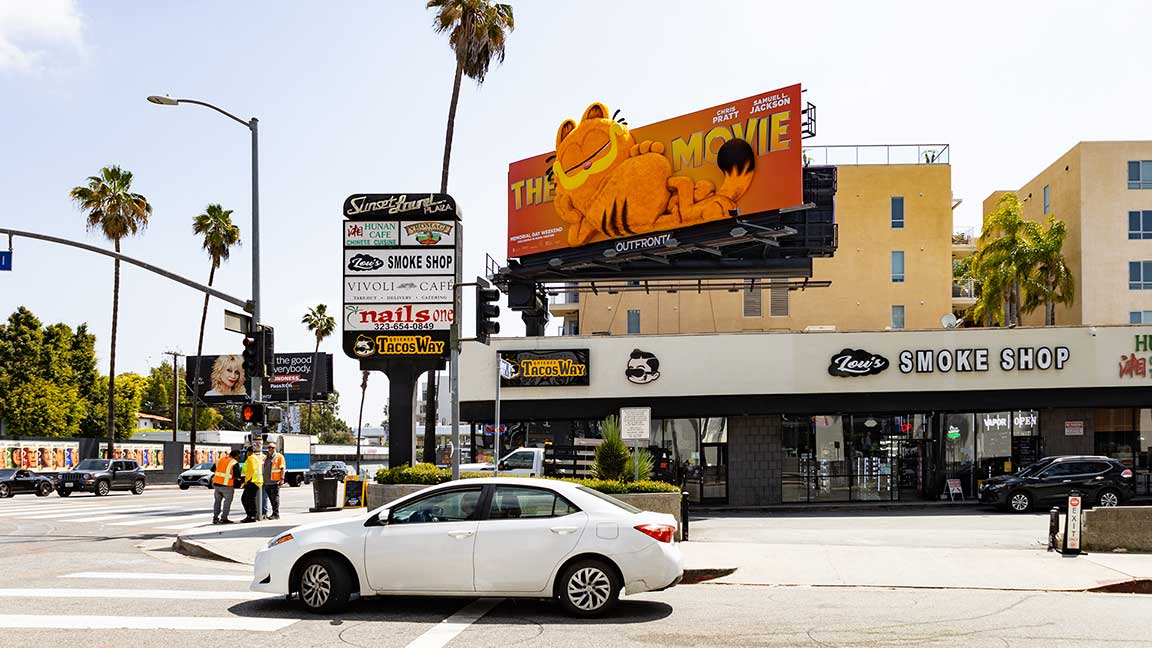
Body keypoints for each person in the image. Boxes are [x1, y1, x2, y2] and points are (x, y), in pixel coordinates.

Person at [211, 450, 242, 525]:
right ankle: (224, 518)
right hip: (227, 485)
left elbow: (212, 469)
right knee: (227, 502)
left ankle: (215, 518)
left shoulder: (220, 460)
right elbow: (237, 476)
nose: (239, 457)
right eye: (239, 456)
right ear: (236, 455)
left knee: (217, 501)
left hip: (217, 484)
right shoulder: (234, 462)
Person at [239, 446, 264, 523]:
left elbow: (252, 470)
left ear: (248, 452)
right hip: (256, 481)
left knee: (247, 499)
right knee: (249, 499)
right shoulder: (256, 458)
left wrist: (246, 480)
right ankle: (251, 515)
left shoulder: (251, 458)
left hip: (252, 481)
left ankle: (251, 516)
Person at [262, 442, 286, 520]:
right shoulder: (266, 457)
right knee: (270, 498)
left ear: (275, 448)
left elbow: (282, 468)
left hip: (275, 481)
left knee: (275, 498)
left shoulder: (279, 457)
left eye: (272, 447)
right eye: (269, 447)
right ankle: (273, 513)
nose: (270, 449)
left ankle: (276, 514)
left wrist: (282, 478)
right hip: (266, 481)